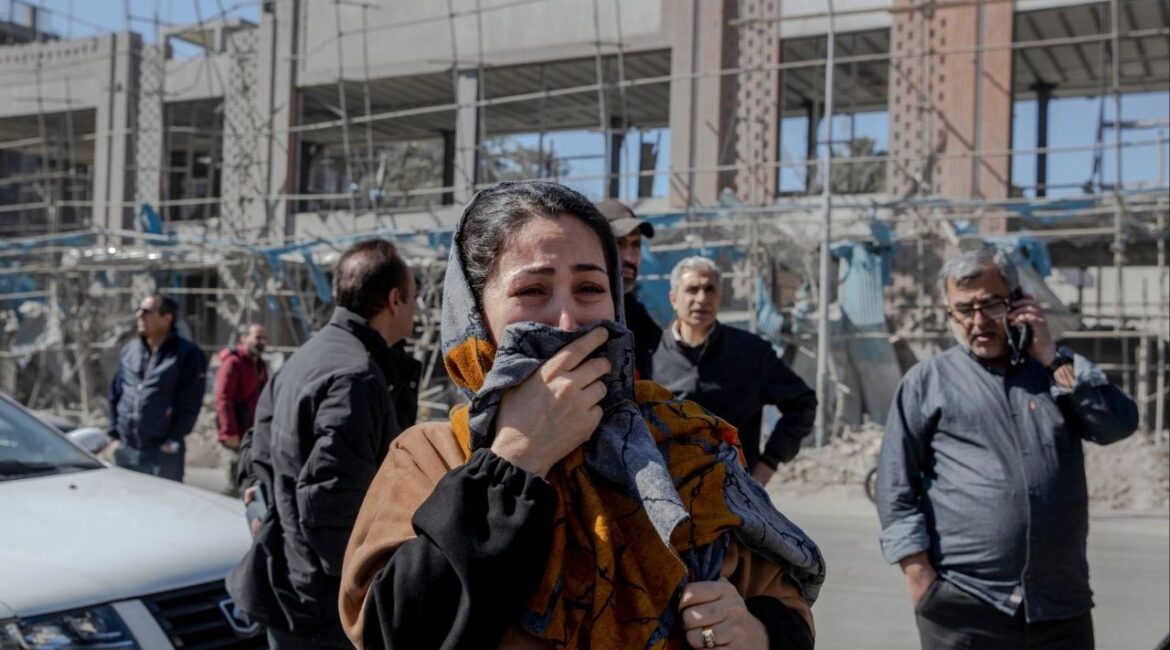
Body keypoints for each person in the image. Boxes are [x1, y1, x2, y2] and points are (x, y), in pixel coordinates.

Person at [339, 181, 824, 650]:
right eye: (532, 290)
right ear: (475, 314)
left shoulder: (682, 443)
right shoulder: (432, 457)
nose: (567, 321)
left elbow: (785, 603)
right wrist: (514, 460)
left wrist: (757, 633)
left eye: (590, 287)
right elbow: (390, 631)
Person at [875, 246, 1139, 650]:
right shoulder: (926, 382)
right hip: (964, 603)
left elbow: (1117, 425)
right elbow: (895, 487)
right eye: (964, 310)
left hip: (1060, 605)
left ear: (1018, 301)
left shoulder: (1057, 369)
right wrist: (920, 580)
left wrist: (1050, 357)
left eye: (991, 305)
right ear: (949, 311)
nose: (978, 321)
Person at [227, 239, 422, 649]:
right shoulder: (354, 377)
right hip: (323, 605)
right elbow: (331, 502)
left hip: (287, 584)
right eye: (414, 298)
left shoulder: (306, 357)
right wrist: (367, 588)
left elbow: (253, 453)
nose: (417, 310)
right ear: (394, 300)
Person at [652, 256, 817, 486]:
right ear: (673, 298)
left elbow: (803, 403)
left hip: (733, 497)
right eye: (692, 289)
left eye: (710, 290)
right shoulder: (651, 354)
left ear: (719, 297)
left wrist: (768, 464)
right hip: (668, 495)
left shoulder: (750, 353)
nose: (702, 298)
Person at [107, 294, 208, 482]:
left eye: (146, 312)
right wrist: (114, 437)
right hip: (126, 450)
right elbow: (115, 394)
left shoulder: (187, 354)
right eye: (138, 310)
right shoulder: (130, 350)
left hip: (161, 455)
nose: (139, 315)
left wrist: (172, 439)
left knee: (162, 508)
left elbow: (191, 403)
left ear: (167, 318)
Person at [596, 199, 662, 380]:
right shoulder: (569, 318)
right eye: (619, 243)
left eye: (636, 245)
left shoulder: (642, 325)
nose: (630, 258)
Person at [213, 323, 269, 494]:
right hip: (236, 433)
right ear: (244, 339)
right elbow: (223, 399)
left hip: (252, 433)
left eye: (264, 338)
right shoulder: (233, 363)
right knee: (234, 483)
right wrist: (229, 432)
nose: (261, 342)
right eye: (257, 337)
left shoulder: (260, 365)